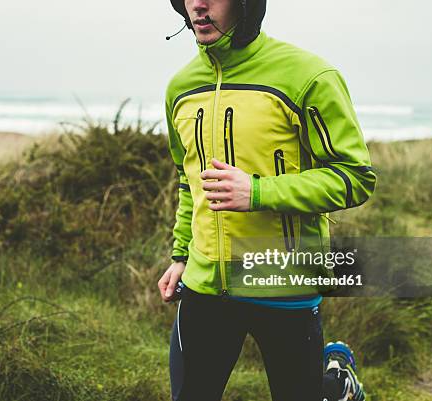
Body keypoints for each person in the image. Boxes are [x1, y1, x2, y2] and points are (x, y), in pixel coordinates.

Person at [157, 0, 376, 400]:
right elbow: (189, 183)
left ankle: (337, 386)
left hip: (283, 278)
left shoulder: (307, 76)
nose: (198, 5)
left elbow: (354, 177)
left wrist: (258, 192)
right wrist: (181, 256)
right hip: (205, 285)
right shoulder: (181, 88)